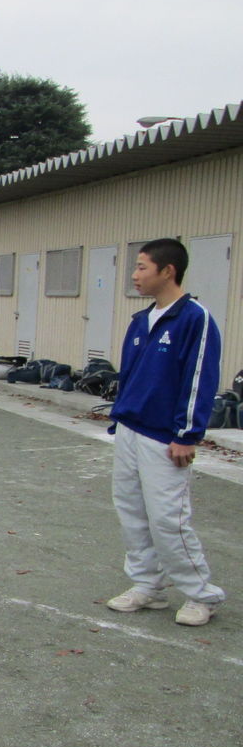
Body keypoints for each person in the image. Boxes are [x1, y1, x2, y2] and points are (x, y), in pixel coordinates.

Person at [105, 238, 225, 627]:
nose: (135, 276)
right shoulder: (141, 321)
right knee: (133, 514)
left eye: (141, 267)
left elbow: (198, 379)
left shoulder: (194, 318)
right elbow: (131, 377)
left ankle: (200, 594)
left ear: (167, 271)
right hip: (130, 429)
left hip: (164, 437)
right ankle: (147, 586)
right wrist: (119, 418)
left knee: (168, 518)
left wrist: (187, 435)